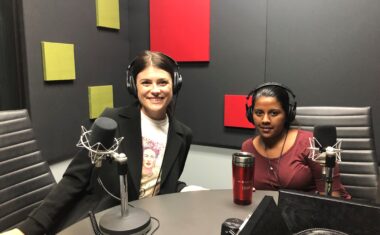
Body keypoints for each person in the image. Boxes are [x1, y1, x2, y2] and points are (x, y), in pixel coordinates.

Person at [4, 51, 192, 235]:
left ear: (174, 85)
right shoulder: (112, 121)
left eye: (162, 82)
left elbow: (160, 180)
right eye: (146, 82)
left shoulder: (182, 134)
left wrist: (185, 188)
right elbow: (75, 179)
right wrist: (27, 229)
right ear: (133, 86)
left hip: (150, 222)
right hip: (103, 221)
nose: (155, 90)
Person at [242, 82, 351, 199]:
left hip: (310, 211)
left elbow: (333, 196)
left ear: (287, 114)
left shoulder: (312, 143)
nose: (265, 120)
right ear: (250, 114)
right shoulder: (247, 148)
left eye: (274, 113)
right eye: (259, 113)